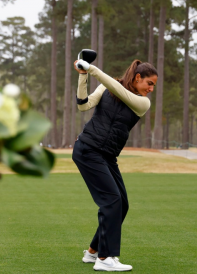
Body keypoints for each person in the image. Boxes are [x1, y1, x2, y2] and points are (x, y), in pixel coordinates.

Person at [72, 58, 158, 272]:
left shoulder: (142, 103)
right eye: (149, 83)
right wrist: (83, 75)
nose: (151, 89)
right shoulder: (105, 87)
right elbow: (83, 105)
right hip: (88, 150)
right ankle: (104, 257)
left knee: (122, 204)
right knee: (111, 200)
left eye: (153, 85)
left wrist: (92, 69)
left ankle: (93, 252)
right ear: (138, 77)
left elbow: (118, 90)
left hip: (107, 156)